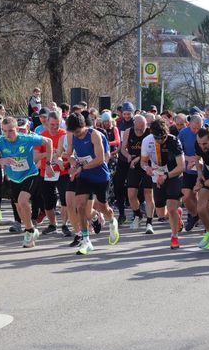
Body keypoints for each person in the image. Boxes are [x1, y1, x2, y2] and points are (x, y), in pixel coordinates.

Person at [0, 116, 55, 248]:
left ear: (17, 129)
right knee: (20, 208)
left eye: (10, 130)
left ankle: (28, 231)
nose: (7, 134)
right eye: (4, 131)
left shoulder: (26, 138)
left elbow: (49, 142)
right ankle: (31, 231)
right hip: (14, 178)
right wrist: (2, 161)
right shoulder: (0, 142)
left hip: (30, 175)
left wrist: (49, 164)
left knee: (23, 201)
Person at [66, 112, 120, 255]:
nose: (76, 135)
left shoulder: (94, 135)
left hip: (100, 176)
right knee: (80, 205)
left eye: (78, 131)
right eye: (73, 132)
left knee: (103, 207)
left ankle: (112, 221)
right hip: (84, 176)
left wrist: (81, 167)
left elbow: (100, 159)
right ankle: (86, 241)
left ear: (84, 126)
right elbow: (70, 154)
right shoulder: (72, 135)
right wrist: (72, 163)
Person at [141, 118, 185, 249]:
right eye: (157, 138)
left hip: (173, 174)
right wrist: (147, 168)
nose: (159, 140)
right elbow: (143, 162)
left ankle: (174, 237)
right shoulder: (147, 141)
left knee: (171, 207)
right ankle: (177, 215)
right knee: (161, 213)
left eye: (162, 138)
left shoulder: (174, 141)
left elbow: (181, 166)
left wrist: (166, 176)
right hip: (156, 174)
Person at [36, 111, 72, 236]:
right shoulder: (42, 136)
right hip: (46, 173)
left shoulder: (65, 135)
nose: (55, 127)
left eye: (57, 124)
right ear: (47, 123)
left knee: (65, 199)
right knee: (47, 201)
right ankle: (52, 224)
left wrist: (61, 157)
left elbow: (71, 154)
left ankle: (65, 225)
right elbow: (35, 156)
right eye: (52, 124)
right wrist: (50, 154)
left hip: (63, 172)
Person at [121, 114, 155, 234]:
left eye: (143, 128)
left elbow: (152, 151)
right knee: (131, 193)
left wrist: (139, 158)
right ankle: (137, 215)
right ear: (134, 124)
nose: (140, 131)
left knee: (148, 193)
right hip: (134, 165)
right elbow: (123, 148)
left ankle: (149, 222)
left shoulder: (150, 133)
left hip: (147, 164)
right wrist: (128, 155)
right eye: (138, 128)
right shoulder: (128, 132)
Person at [179, 114, 202, 231]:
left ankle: (205, 218)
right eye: (194, 128)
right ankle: (194, 215)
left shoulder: (207, 133)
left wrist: (198, 160)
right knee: (186, 196)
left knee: (200, 196)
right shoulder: (183, 133)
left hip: (202, 169)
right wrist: (188, 159)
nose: (197, 131)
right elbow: (178, 151)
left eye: (199, 128)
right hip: (188, 168)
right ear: (189, 125)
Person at [113, 101, 135, 223]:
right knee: (118, 184)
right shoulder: (119, 123)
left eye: (129, 114)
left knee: (133, 187)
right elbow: (120, 141)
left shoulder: (136, 123)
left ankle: (136, 211)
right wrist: (117, 150)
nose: (127, 116)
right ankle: (121, 213)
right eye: (125, 114)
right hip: (122, 158)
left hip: (134, 158)